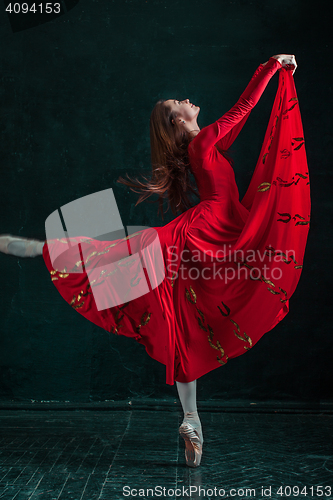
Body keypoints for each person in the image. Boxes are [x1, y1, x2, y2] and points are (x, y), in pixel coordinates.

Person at [0, 54, 310, 469]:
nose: (185, 100)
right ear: (176, 124)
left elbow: (243, 118)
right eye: (176, 106)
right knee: (121, 263)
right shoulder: (202, 142)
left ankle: (192, 419)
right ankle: (32, 248)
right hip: (206, 233)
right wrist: (273, 65)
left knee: (181, 318)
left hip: (208, 233)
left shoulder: (208, 144)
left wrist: (274, 72)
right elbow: (244, 108)